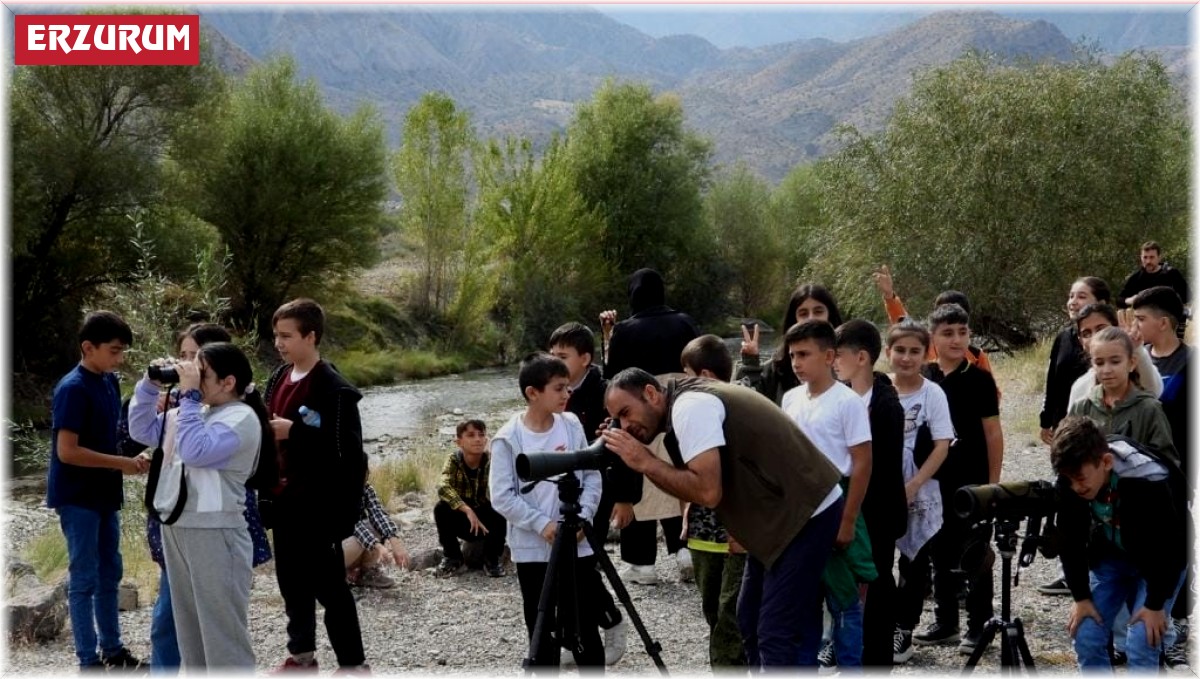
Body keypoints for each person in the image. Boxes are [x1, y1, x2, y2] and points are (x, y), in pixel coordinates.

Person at [602, 368, 844, 668]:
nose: (625, 426)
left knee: (775, 631)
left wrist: (645, 461)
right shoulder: (683, 398)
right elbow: (690, 484)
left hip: (805, 511)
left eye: (626, 413)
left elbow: (706, 491)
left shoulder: (690, 407)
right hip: (777, 515)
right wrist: (641, 463)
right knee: (750, 618)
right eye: (618, 420)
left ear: (651, 394)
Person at [117, 322, 272, 672]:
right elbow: (140, 429)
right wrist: (148, 385)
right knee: (190, 634)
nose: (192, 377)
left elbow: (197, 450)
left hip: (216, 532)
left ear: (228, 383)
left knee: (222, 635)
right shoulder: (193, 412)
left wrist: (186, 398)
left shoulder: (240, 418)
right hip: (178, 528)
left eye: (200, 372)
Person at [262, 298, 369, 672]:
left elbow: (347, 450)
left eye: (286, 336)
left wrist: (295, 432)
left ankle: (353, 663)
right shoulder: (277, 377)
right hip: (283, 500)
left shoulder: (333, 389)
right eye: (276, 335)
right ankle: (302, 655)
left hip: (319, 504)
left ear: (311, 336)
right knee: (291, 583)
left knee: (330, 587)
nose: (279, 343)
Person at [489, 353, 605, 669]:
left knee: (585, 627)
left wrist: (585, 515)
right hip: (533, 553)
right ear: (532, 393)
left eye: (568, 387)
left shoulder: (571, 425)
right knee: (542, 631)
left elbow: (591, 474)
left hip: (577, 545)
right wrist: (543, 525)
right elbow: (501, 496)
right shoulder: (508, 438)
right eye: (558, 388)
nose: (567, 394)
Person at [47, 311, 147, 671]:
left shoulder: (108, 381)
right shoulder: (72, 388)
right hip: (77, 497)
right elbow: (67, 451)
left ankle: (114, 651)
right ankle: (88, 661)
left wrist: (135, 453)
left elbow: (113, 435)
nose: (119, 359)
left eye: (122, 352)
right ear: (88, 347)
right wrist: (121, 464)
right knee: (85, 577)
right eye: (114, 351)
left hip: (105, 494)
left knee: (110, 573)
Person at [1053, 416, 1188, 670]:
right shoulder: (1070, 480)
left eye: (1080, 479)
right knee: (1086, 634)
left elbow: (1174, 546)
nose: (1075, 487)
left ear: (1105, 462)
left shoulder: (1147, 481)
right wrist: (1081, 598)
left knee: (1142, 640)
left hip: (1160, 560)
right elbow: (1070, 541)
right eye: (1068, 480)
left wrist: (1155, 605)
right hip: (1113, 555)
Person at [780, 321, 876, 671]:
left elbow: (863, 462)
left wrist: (848, 520)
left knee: (845, 602)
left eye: (804, 354)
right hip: (799, 513)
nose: (797, 362)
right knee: (804, 602)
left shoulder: (847, 401)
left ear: (829, 355)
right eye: (793, 355)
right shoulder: (790, 398)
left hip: (837, 503)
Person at [600, 269, 698, 586]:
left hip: (640, 406)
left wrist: (610, 336)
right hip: (681, 403)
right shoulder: (685, 322)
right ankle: (684, 549)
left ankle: (642, 565)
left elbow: (614, 377)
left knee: (636, 473)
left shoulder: (626, 330)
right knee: (678, 472)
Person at [917, 304, 1002, 656]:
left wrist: (992, 485)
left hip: (972, 482)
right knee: (939, 549)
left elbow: (993, 434)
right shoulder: (925, 376)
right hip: (933, 480)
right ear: (933, 338)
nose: (956, 339)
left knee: (975, 550)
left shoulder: (979, 379)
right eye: (947, 333)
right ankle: (945, 621)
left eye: (962, 332)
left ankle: (980, 623)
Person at [547, 323, 630, 664]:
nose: (555, 362)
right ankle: (574, 635)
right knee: (564, 564)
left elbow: (625, 445)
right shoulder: (551, 389)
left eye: (562, 356)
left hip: (600, 489)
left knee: (582, 565)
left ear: (585, 358)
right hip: (562, 491)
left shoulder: (604, 392)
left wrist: (625, 497)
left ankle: (611, 619)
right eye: (551, 355)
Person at [833, 319, 907, 669]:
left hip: (877, 512)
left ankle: (878, 661)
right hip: (857, 509)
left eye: (839, 354)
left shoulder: (884, 404)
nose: (833, 361)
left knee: (877, 586)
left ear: (861, 357)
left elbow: (878, 468)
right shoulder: (846, 397)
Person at [1035, 278, 1111, 597]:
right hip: (1068, 429)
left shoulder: (1119, 357)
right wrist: (1047, 420)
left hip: (1102, 451)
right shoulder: (1065, 338)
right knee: (1069, 496)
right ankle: (1073, 573)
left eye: (1081, 296)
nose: (1072, 301)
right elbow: (1055, 381)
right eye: (1070, 295)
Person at [884, 321, 954, 665]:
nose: (907, 358)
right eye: (900, 350)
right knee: (878, 561)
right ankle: (876, 623)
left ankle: (904, 628)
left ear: (926, 354)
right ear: (888, 353)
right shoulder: (879, 390)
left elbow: (942, 445)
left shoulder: (933, 393)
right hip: (881, 489)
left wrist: (913, 485)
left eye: (914, 351)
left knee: (914, 563)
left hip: (921, 491)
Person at [1132, 286, 1194, 668]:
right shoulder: (1137, 360)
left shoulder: (1190, 363)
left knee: (1176, 541)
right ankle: (1143, 616)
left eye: (1141, 319)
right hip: (1139, 473)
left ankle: (1180, 623)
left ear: (1164, 322)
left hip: (1178, 471)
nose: (1135, 326)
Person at [678, 334, 747, 669]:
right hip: (703, 531)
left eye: (686, 375)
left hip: (735, 532)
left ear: (703, 376)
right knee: (713, 610)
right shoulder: (692, 413)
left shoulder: (735, 408)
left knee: (730, 612)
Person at [872, 265, 994, 373]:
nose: (955, 339)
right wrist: (889, 295)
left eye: (960, 330)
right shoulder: (924, 346)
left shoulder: (977, 357)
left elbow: (992, 395)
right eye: (947, 332)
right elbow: (902, 321)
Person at [736, 283, 844, 404]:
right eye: (803, 314)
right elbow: (750, 402)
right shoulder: (780, 366)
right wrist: (750, 362)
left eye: (818, 312)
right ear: (794, 320)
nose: (811, 318)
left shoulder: (849, 360)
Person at [433, 419, 507, 578]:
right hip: (463, 519)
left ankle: (492, 559)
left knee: (501, 506)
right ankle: (453, 558)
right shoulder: (454, 460)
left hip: (487, 522)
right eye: (471, 435)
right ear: (459, 442)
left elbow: (503, 488)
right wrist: (467, 510)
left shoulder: (492, 461)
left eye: (481, 435)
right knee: (441, 508)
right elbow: (443, 486)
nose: (478, 439)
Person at [1066, 303, 1163, 408]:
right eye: (1086, 333)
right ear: (1081, 342)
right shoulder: (1080, 388)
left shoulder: (1136, 368)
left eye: (1101, 329)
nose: (1095, 336)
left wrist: (1136, 348)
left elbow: (1154, 391)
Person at [344, 477, 411, 589]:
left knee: (376, 526)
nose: (367, 475)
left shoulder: (366, 487)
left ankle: (366, 572)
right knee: (357, 541)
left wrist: (395, 541)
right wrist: (378, 546)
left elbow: (378, 514)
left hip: (349, 550)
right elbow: (353, 525)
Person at [1117, 241, 1191, 313]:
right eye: (1145, 257)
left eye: (1152, 257)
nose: (1148, 261)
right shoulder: (1136, 278)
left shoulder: (1171, 274)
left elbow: (1188, 297)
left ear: (1159, 257)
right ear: (1141, 258)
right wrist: (1130, 300)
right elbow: (1119, 300)